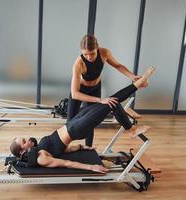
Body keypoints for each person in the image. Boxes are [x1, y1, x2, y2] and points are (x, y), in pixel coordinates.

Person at [10, 67, 155, 173]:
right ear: (23, 151)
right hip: (76, 129)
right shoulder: (41, 158)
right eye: (24, 142)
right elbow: (66, 163)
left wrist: (81, 148)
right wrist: (92, 167)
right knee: (113, 103)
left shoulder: (38, 149)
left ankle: (139, 84)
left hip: (72, 124)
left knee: (108, 101)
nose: (28, 139)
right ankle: (131, 129)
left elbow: (63, 150)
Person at [68, 34, 142, 147]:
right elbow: (75, 94)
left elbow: (118, 66)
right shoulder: (78, 63)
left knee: (89, 121)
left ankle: (89, 147)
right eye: (85, 54)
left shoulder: (104, 53)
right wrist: (100, 100)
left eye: (92, 53)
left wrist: (132, 76)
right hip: (80, 91)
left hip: (95, 88)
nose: (89, 57)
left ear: (97, 48)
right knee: (69, 124)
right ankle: (65, 148)